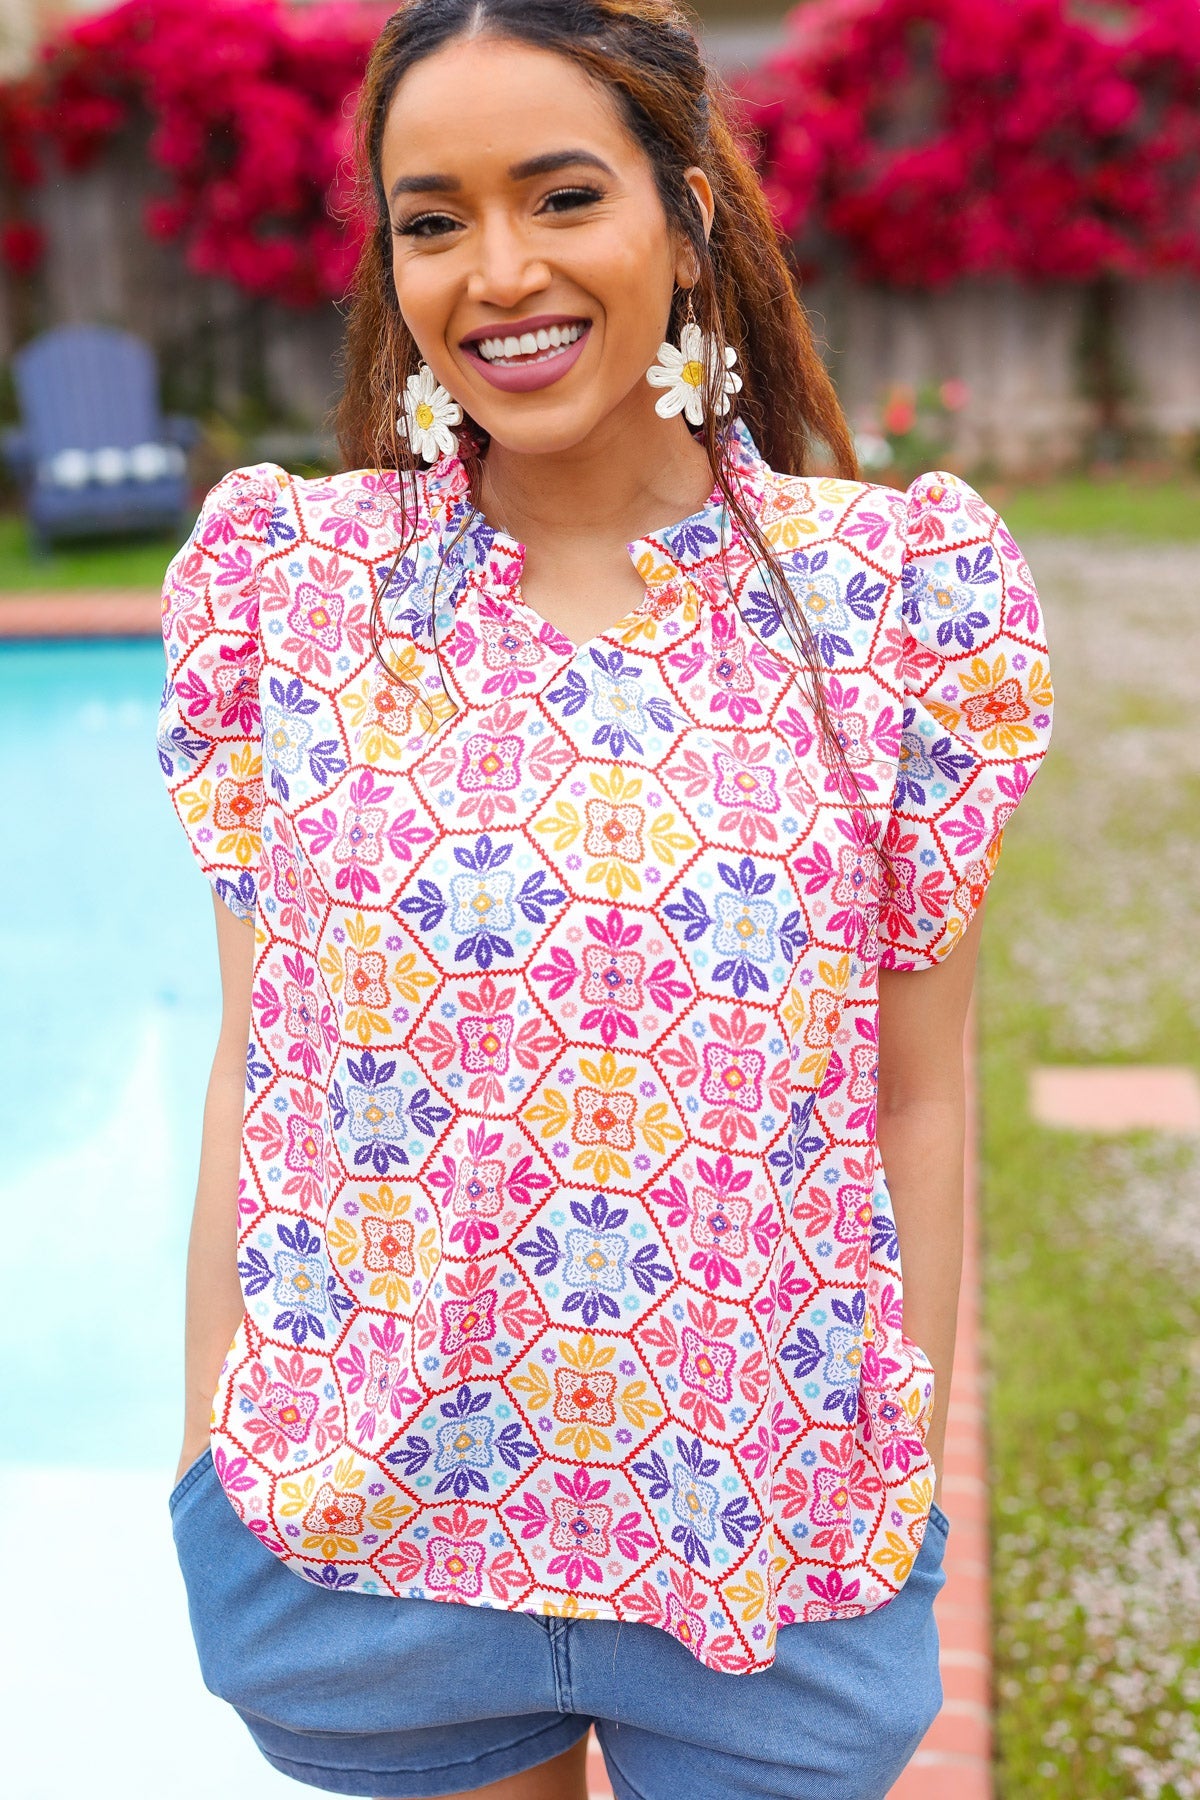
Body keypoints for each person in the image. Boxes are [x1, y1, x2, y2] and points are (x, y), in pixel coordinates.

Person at [158, 3, 1052, 1796]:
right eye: (433, 219)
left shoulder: (891, 601)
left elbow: (919, 1092)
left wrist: (889, 1485)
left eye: (562, 195)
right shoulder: (292, 593)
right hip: (374, 1552)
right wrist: (210, 1447)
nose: (499, 271)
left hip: (770, 1563)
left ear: (689, 217)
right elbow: (266, 1061)